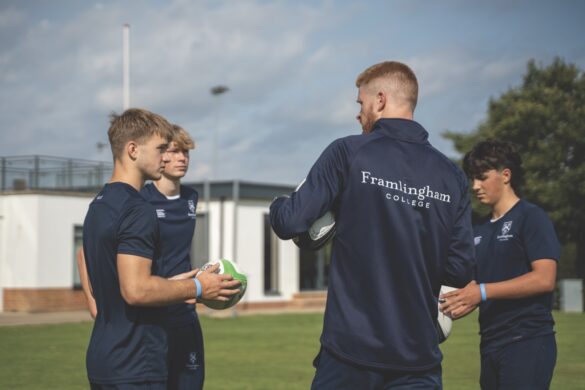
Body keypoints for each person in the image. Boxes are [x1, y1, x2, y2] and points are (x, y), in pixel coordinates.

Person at [269, 61, 475, 389]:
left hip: (350, 356)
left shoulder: (347, 153)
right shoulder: (452, 177)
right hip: (418, 359)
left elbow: (290, 221)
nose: (359, 113)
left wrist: (280, 203)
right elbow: (460, 268)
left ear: (379, 100)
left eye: (360, 103)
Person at [82, 108, 240, 389]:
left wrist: (172, 284)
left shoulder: (99, 204)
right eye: (160, 149)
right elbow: (136, 289)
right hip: (137, 362)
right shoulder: (139, 209)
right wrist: (199, 288)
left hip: (105, 359)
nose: (166, 157)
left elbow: (121, 281)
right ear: (132, 150)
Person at [440, 139, 559, 389]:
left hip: (527, 341)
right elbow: (473, 286)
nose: (475, 186)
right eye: (472, 178)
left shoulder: (531, 217)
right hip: (490, 343)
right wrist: (450, 304)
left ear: (506, 175)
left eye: (482, 177)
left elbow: (544, 279)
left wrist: (482, 292)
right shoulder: (478, 229)